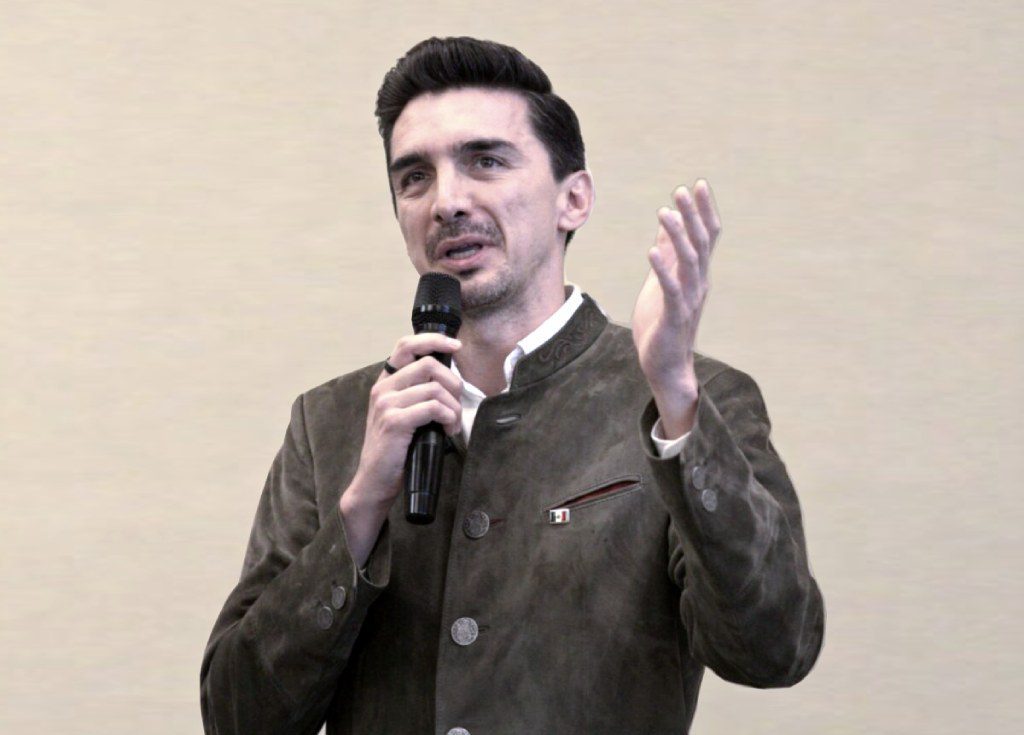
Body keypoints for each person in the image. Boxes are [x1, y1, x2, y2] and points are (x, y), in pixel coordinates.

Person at [200, 36, 824, 735]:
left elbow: (774, 649)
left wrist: (676, 398)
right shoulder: (330, 422)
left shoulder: (692, 400)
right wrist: (360, 509)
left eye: (486, 161)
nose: (447, 202)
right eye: (415, 178)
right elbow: (237, 718)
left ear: (573, 199)